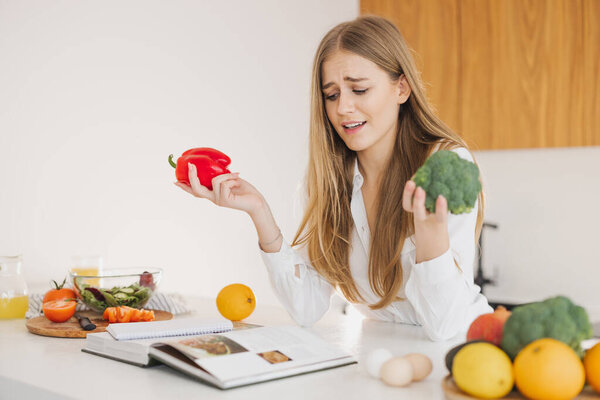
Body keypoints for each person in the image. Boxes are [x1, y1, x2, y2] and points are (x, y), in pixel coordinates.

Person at [175, 15, 492, 341]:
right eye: (331, 95)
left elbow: (447, 327)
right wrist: (259, 211)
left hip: (463, 354)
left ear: (402, 88)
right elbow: (306, 308)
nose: (343, 108)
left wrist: (430, 237)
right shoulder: (329, 180)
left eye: (359, 89)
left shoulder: (443, 165)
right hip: (379, 358)